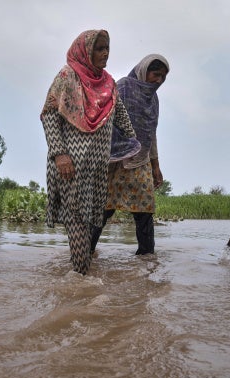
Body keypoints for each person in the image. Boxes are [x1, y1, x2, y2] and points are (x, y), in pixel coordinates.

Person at [41, 29, 137, 275]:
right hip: (69, 163)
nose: (105, 53)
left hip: (95, 166)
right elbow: (49, 115)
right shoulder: (67, 76)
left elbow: (120, 113)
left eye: (107, 48)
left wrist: (133, 138)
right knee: (76, 221)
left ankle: (78, 280)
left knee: (88, 221)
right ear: (85, 51)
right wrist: (60, 154)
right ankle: (80, 279)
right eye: (99, 48)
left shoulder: (108, 82)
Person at [91, 54, 170, 256]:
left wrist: (156, 166)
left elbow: (150, 133)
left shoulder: (154, 100)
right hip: (114, 159)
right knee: (104, 209)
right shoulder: (123, 86)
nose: (159, 80)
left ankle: (146, 262)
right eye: (156, 74)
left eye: (163, 76)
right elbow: (104, 118)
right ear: (144, 70)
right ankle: (84, 253)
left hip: (140, 159)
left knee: (144, 210)